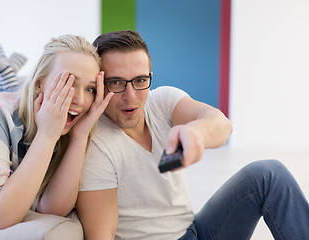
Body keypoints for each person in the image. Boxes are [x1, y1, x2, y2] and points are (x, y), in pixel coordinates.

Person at [76, 30, 309, 240]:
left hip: (196, 230)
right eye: (116, 82)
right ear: (99, 84)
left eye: (140, 80)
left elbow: (221, 124)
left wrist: (196, 132)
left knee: (269, 174)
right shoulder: (96, 144)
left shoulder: (161, 100)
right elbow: (101, 236)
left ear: (149, 77)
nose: (131, 95)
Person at [0, 34, 113, 230]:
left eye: (90, 89)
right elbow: (1, 217)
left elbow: (53, 208)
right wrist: (46, 135)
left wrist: (80, 136)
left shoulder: (71, 127)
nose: (80, 99)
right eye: (68, 82)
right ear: (39, 84)